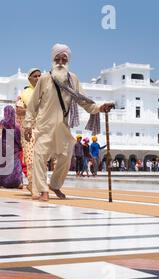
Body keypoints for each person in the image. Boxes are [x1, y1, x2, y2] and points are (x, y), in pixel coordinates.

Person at [24, 43, 114, 201]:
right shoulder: (45, 78)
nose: (60, 61)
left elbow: (84, 101)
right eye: (57, 58)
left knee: (66, 156)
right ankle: (43, 190)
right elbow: (32, 105)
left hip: (63, 127)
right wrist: (28, 125)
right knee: (40, 157)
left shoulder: (73, 79)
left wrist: (100, 107)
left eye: (63, 59)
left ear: (68, 60)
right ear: (53, 59)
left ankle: (55, 185)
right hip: (44, 125)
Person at [17, 68, 41, 192]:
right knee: (31, 158)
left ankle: (38, 184)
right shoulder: (24, 94)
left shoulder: (45, 93)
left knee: (41, 159)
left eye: (39, 76)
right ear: (29, 79)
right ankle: (33, 183)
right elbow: (18, 110)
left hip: (42, 130)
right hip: (28, 131)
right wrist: (31, 110)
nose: (37, 78)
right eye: (35, 76)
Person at [0, 105, 23, 189]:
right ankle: (18, 182)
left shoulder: (3, 122)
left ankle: (2, 182)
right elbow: (19, 136)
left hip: (4, 146)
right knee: (15, 164)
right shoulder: (17, 124)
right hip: (14, 147)